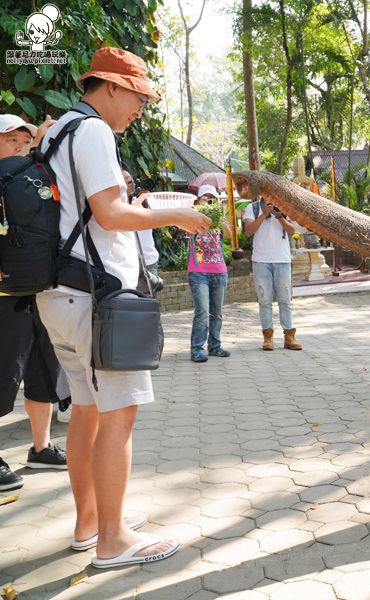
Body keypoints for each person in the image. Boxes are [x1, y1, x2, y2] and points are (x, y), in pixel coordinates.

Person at [36, 47, 210, 568]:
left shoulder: (57, 129)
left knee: (88, 411)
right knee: (119, 414)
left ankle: (90, 522)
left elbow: (90, 213)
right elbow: (109, 215)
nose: (141, 108)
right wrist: (175, 219)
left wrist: (147, 209)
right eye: (137, 96)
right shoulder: (93, 133)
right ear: (110, 86)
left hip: (59, 295)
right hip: (95, 298)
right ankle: (112, 540)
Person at [0, 114, 68, 491]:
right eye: (12, 141)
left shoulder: (34, 179)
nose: (20, 148)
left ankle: (41, 448)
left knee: (44, 369)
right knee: (2, 371)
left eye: (25, 141)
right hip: (5, 295)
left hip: (39, 289)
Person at [243, 197, 303, 351]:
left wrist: (278, 215)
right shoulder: (253, 207)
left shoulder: (285, 206)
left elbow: (292, 230)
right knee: (264, 300)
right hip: (261, 260)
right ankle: (268, 338)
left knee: (285, 300)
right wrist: (264, 214)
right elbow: (248, 231)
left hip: (282, 259)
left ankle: (289, 336)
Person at [188, 184, 232, 362]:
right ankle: (197, 348)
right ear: (198, 200)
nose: (208, 200)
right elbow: (189, 231)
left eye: (211, 198)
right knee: (203, 311)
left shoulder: (219, 217)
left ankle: (214, 346)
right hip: (199, 271)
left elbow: (228, 235)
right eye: (205, 198)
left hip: (219, 271)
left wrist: (219, 218)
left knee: (217, 312)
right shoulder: (191, 217)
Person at [122, 169, 160, 276]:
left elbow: (158, 219)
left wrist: (148, 201)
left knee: (149, 292)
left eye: (130, 181)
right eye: (125, 182)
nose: (129, 185)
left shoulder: (142, 201)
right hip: (126, 263)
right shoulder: (116, 203)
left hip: (149, 260)